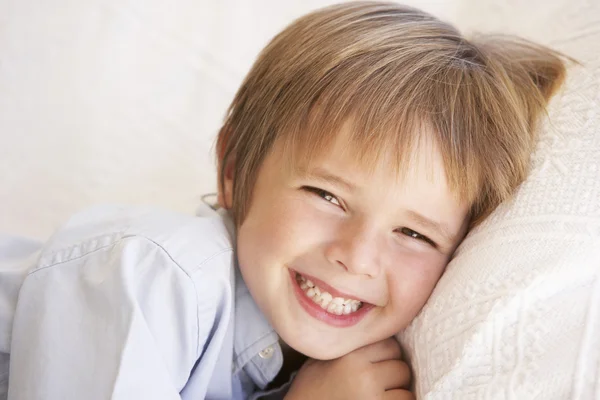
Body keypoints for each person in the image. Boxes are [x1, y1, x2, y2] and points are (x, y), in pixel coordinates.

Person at [0, 2, 568, 399]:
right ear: (233, 169)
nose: (358, 256)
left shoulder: (297, 360)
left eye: (414, 234)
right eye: (327, 195)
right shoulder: (149, 273)